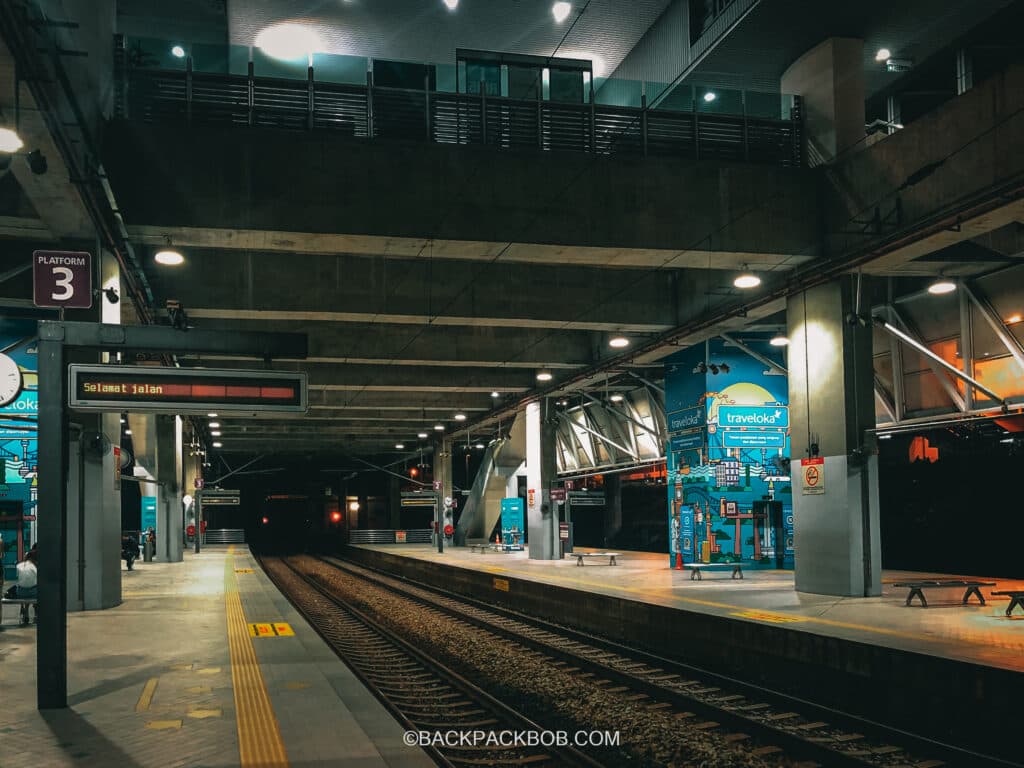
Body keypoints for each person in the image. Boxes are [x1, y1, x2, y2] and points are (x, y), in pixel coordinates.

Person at [15, 549, 37, 625]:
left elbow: (19, 577)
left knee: (22, 586)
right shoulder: (35, 567)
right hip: (32, 593)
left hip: (20, 593)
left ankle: (25, 610)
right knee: (35, 588)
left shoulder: (18, 566)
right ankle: (36, 615)